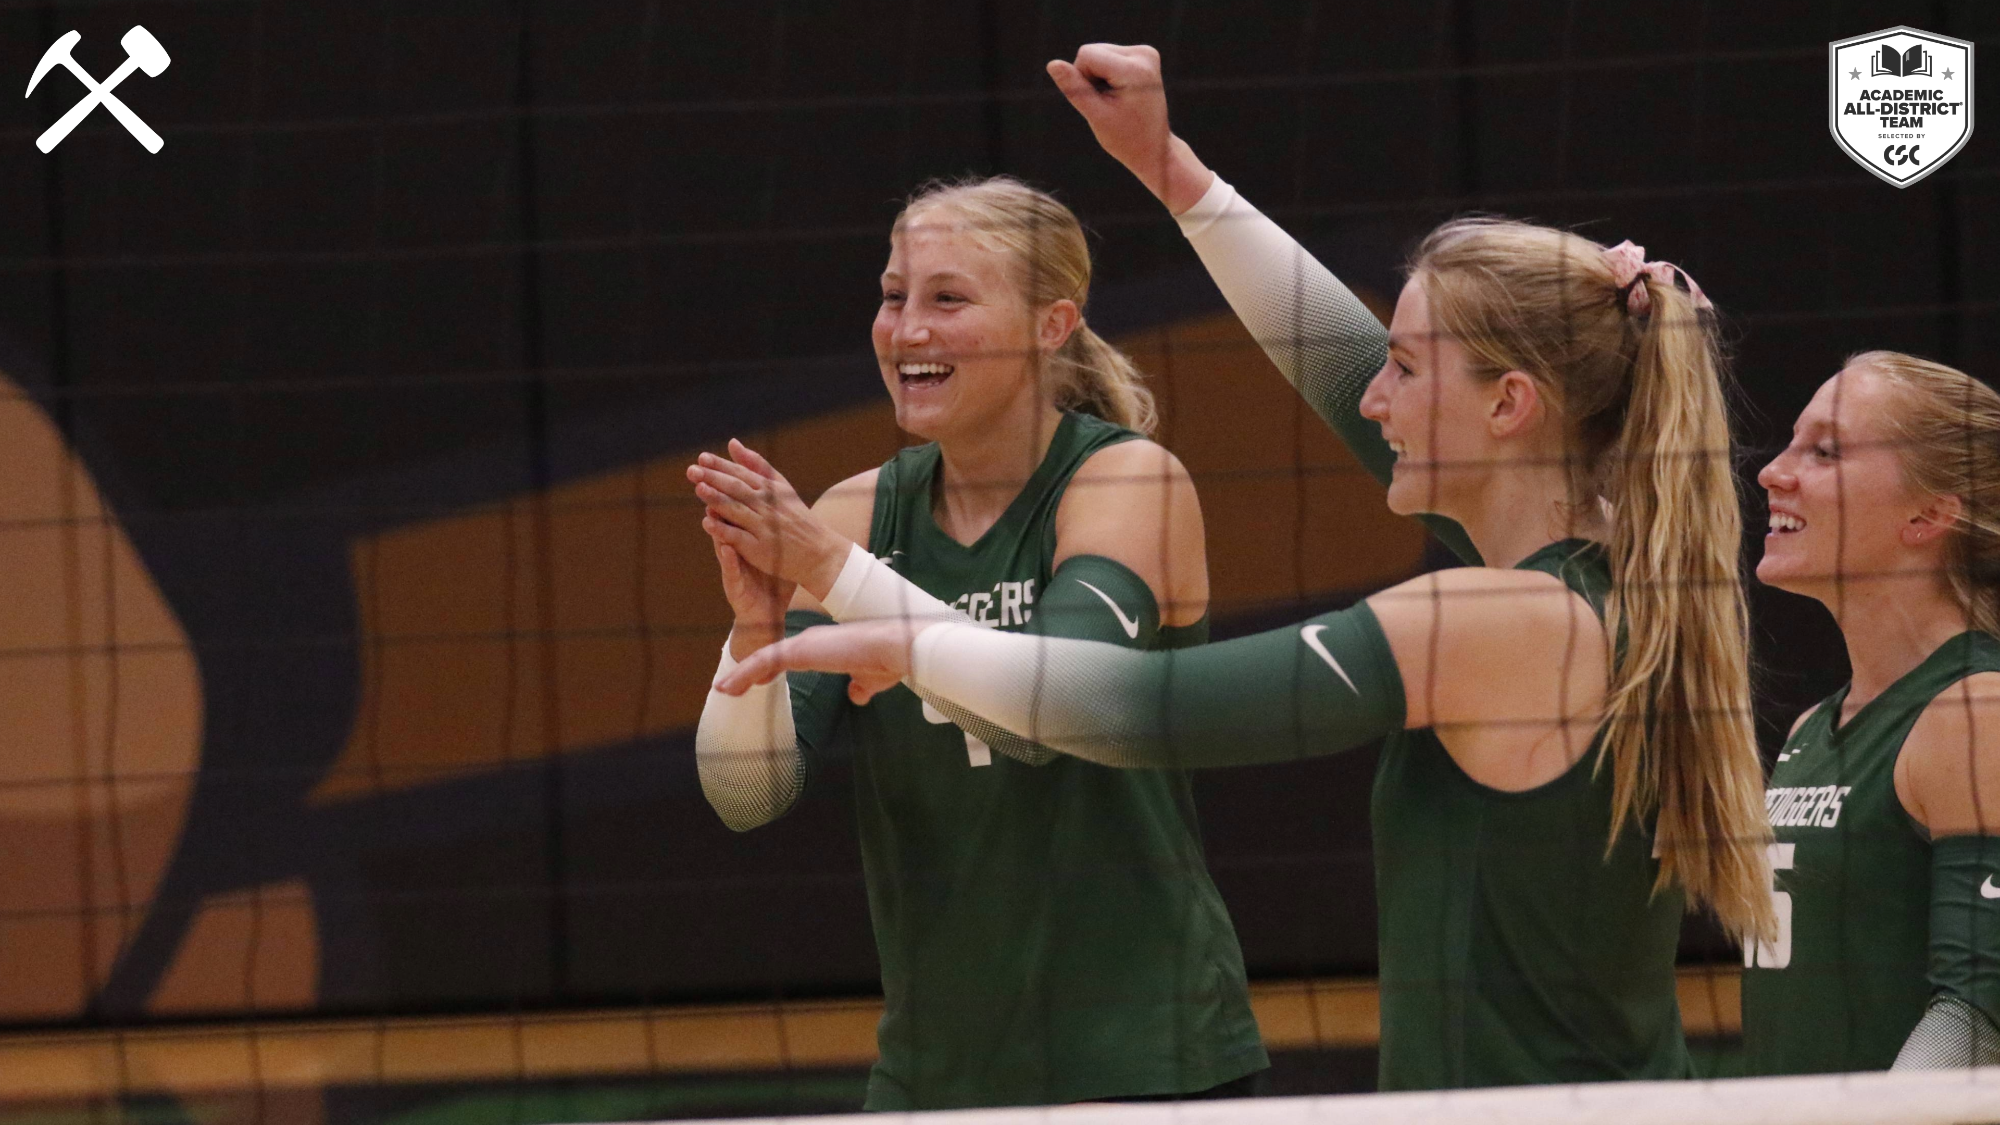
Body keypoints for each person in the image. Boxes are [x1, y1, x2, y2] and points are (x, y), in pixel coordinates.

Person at [717, 42, 1776, 1091]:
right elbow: (1333, 362)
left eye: (1404, 370)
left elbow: (1134, 708)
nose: (1371, 398)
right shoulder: (1587, 579)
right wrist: (1171, 171)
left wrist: (872, 604)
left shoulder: (1494, 622)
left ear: (1508, 408)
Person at [688, 175, 1267, 1110]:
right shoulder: (858, 511)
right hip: (937, 1073)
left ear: (1052, 323)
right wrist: (752, 633)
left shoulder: (1126, 483)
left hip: (1149, 1058)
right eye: (893, 297)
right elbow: (747, 795)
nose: (908, 329)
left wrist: (836, 573)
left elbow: (1051, 710)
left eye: (947, 299)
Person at [1742, 351, 2000, 1073]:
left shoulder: (1978, 709)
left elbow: (1978, 1019)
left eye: (1824, 450)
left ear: (1927, 512)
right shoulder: (1810, 730)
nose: (1773, 471)